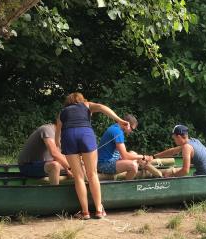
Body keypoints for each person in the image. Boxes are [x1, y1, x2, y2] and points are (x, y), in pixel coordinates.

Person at [56, 92, 130, 220]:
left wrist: (61, 144)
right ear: (81, 100)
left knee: (78, 177)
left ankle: (85, 213)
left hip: (68, 136)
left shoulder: (62, 113)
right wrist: (119, 120)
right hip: (85, 133)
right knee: (92, 174)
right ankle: (99, 210)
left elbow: (57, 138)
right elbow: (102, 107)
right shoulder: (86, 105)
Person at [97, 114, 153, 180]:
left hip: (110, 160)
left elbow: (121, 154)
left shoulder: (116, 128)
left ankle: (137, 171)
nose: (132, 131)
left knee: (133, 153)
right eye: (132, 129)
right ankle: (125, 186)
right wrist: (143, 157)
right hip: (103, 165)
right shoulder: (118, 132)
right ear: (127, 124)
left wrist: (139, 158)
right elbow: (125, 156)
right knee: (133, 166)